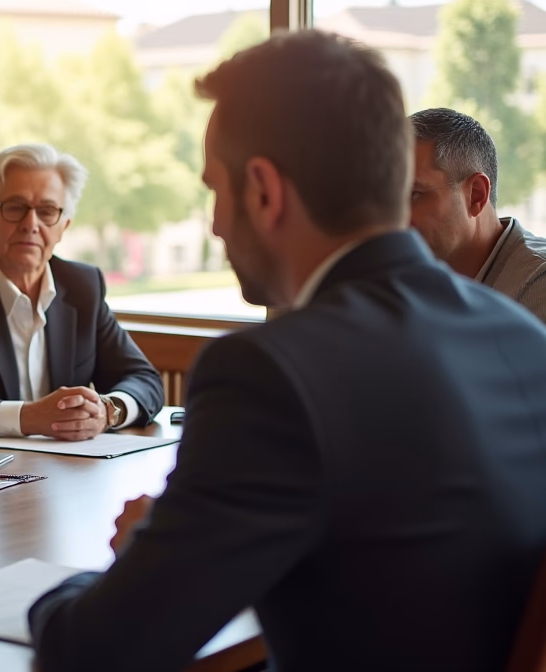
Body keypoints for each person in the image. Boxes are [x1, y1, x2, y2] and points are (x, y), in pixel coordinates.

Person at [28, 31, 546, 672]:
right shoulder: (521, 336)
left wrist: (137, 561)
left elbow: (94, 650)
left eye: (216, 190)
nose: (216, 224)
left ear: (264, 190)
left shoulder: (267, 374)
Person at [0, 143, 164, 438]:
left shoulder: (82, 285)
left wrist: (108, 411)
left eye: (47, 211)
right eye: (15, 207)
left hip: (69, 461)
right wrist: (26, 417)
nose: (31, 224)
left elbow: (144, 379)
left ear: (64, 226)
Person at [408, 107, 546, 323]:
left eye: (414, 195)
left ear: (476, 195)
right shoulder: (414, 281)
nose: (392, 217)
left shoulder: (538, 289)